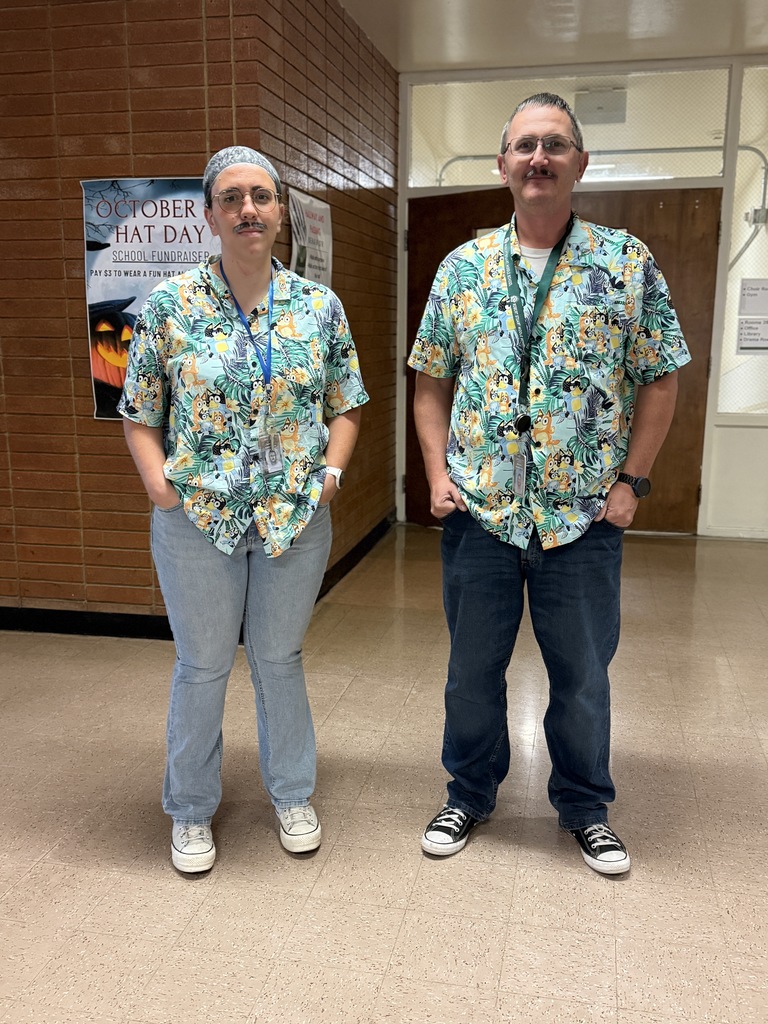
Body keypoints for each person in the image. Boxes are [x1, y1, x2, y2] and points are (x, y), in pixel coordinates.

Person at [408, 93, 690, 875]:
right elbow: (429, 382)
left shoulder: (625, 262)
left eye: (555, 145)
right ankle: (467, 793)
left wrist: (633, 482)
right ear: (502, 164)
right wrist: (436, 474)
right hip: (482, 514)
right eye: (525, 145)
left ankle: (585, 806)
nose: (539, 158)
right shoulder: (461, 268)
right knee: (470, 674)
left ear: (580, 164)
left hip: (585, 517)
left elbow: (660, 378)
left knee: (582, 677)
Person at [119, 146, 368, 873]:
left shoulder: (319, 307)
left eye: (260, 196)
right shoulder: (170, 306)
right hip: (198, 519)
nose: (247, 209)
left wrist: (330, 475)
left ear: (281, 210)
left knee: (278, 658)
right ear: (210, 215)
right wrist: (161, 488)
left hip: (294, 519)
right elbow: (140, 413)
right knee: (201, 666)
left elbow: (347, 405)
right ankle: (190, 810)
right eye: (231, 198)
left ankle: (292, 793)